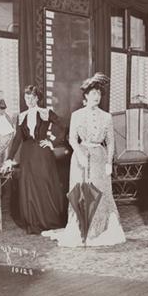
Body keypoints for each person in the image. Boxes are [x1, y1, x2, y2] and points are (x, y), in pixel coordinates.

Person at [42, 73, 126, 247]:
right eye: (93, 93)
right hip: (80, 158)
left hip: (99, 157)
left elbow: (111, 142)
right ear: (86, 95)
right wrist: (80, 154)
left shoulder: (107, 117)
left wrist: (109, 162)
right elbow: (72, 138)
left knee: (99, 191)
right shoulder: (77, 115)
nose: (97, 96)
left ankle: (99, 230)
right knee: (81, 191)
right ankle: (82, 229)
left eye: (99, 93)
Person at [0, 86, 66, 234]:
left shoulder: (46, 112)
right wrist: (9, 158)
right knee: (29, 187)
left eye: (31, 97)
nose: (28, 100)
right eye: (26, 97)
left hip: (42, 154)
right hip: (27, 154)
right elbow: (17, 139)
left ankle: (47, 220)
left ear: (37, 98)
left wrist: (52, 142)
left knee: (44, 184)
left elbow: (63, 126)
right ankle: (33, 221)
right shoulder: (21, 116)